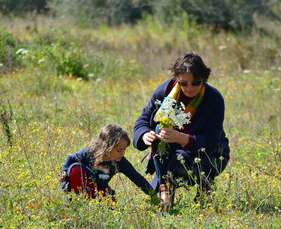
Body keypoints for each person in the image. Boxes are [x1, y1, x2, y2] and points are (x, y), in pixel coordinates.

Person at [133, 51, 230, 207]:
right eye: (183, 83)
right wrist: (144, 134)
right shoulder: (166, 91)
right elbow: (143, 119)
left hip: (209, 154)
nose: (189, 88)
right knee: (159, 128)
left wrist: (182, 138)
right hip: (173, 152)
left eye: (195, 83)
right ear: (176, 79)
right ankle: (166, 189)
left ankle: (205, 185)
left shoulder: (214, 99)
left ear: (204, 79)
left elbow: (212, 140)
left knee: (181, 165)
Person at [60, 124, 155, 203]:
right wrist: (64, 174)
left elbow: (137, 178)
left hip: (100, 191)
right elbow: (71, 158)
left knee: (113, 204)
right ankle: (75, 201)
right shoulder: (90, 151)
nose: (123, 153)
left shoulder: (120, 161)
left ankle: (94, 203)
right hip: (81, 189)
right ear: (106, 147)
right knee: (75, 168)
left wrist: (154, 196)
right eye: (119, 150)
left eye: (124, 149)